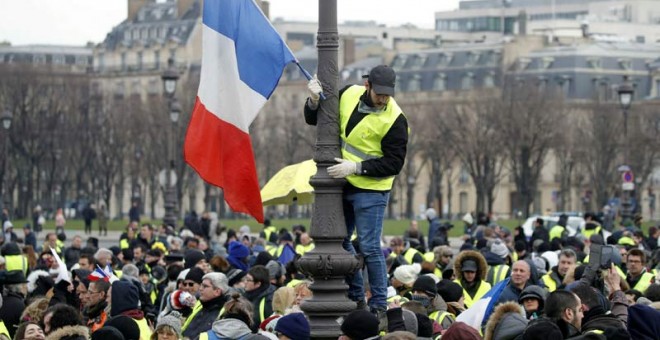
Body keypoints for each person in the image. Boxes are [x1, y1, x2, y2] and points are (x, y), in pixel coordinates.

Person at [304, 64, 408, 315]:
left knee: (370, 247)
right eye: (379, 93)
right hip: (344, 182)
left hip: (371, 189)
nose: (383, 99)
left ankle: (379, 305)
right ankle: (357, 294)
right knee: (339, 240)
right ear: (367, 85)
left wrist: (357, 167)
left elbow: (395, 163)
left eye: (388, 94)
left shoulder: (395, 119)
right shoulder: (349, 93)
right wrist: (314, 100)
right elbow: (314, 120)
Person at [181, 272, 229, 339]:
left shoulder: (226, 312)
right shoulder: (199, 305)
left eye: (205, 286)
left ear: (217, 291)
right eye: (201, 285)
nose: (200, 289)